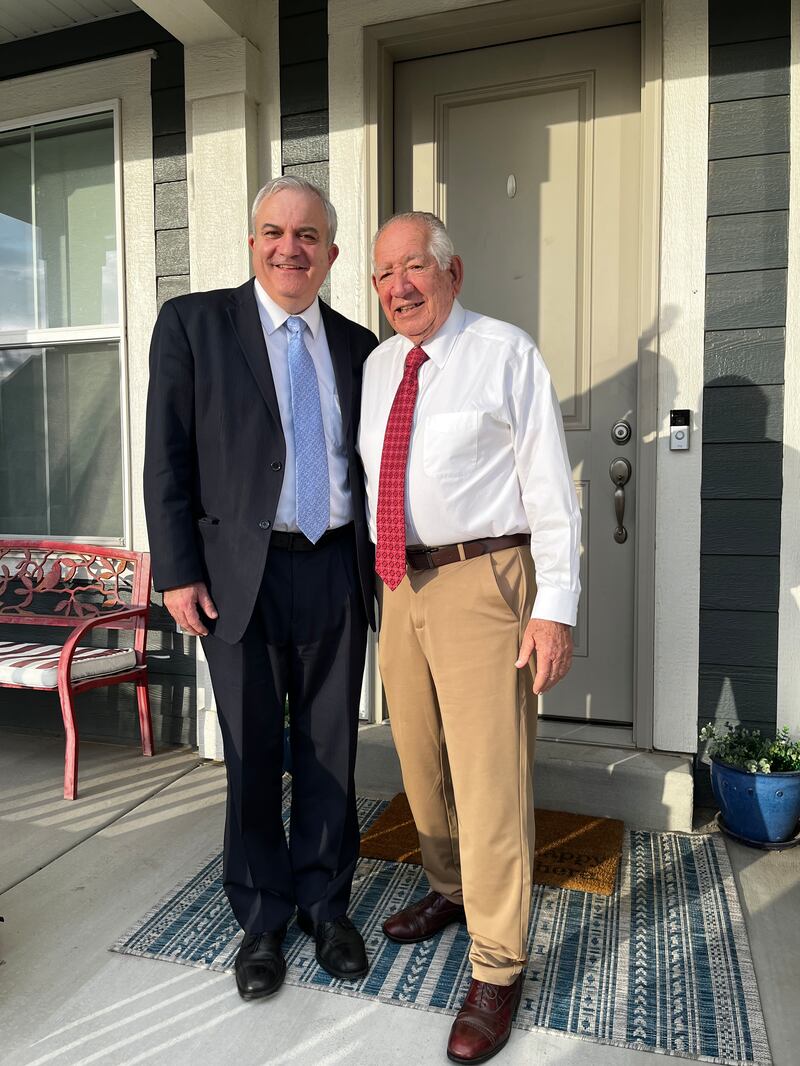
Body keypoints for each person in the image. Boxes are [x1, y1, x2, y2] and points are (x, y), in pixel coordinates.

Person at [144, 176, 378, 1001]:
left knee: (329, 749)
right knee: (250, 753)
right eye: (275, 232)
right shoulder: (194, 326)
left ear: (331, 254)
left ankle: (324, 901)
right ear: (252, 243)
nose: (290, 247)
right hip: (233, 577)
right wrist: (175, 570)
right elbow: (166, 459)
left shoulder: (358, 345)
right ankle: (262, 917)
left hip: (335, 566)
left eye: (308, 236)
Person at [358, 212, 580, 1063]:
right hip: (401, 584)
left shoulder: (505, 353)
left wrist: (552, 606)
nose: (399, 287)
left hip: (486, 577)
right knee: (420, 763)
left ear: (453, 270)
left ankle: (498, 960)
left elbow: (550, 489)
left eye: (414, 267)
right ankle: (451, 890)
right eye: (383, 275)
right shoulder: (380, 368)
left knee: (490, 777)